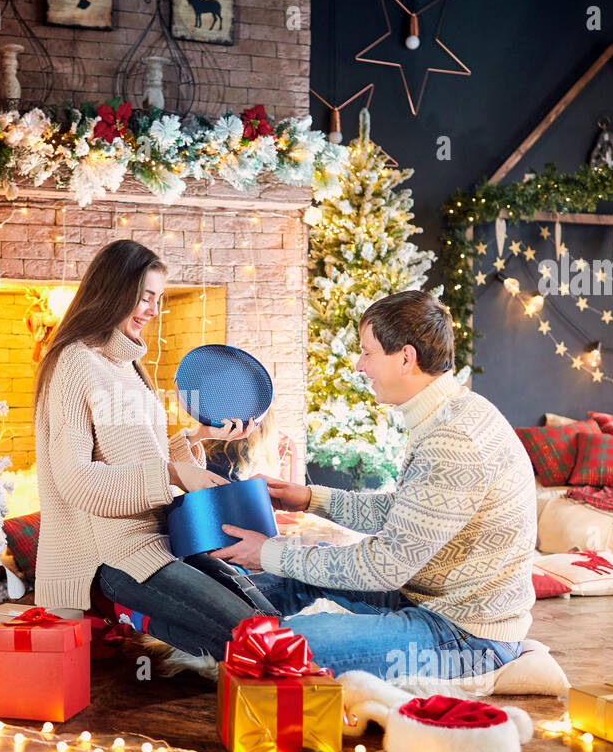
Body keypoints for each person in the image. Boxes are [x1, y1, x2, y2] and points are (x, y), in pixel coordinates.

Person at [213, 290, 536, 681]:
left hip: (468, 636)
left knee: (277, 644)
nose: (359, 365)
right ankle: (211, 616)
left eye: (367, 352)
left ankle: (224, 637)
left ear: (405, 357)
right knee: (296, 575)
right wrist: (310, 499)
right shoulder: (446, 415)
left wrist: (269, 551)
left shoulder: (454, 439)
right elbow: (410, 514)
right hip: (426, 599)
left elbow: (384, 567)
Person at [32, 238, 280, 659]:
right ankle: (135, 614)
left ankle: (149, 623)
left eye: (158, 299)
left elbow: (143, 455)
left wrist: (200, 438)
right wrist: (175, 474)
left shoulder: (129, 364)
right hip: (116, 555)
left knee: (272, 624)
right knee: (262, 641)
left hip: (162, 540)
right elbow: (75, 480)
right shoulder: (75, 362)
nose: (151, 309)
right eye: (144, 297)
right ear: (114, 291)